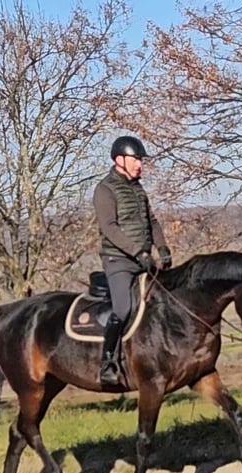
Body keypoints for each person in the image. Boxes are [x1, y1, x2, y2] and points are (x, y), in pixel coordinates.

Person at [92, 135, 172, 385]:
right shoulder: (104, 190)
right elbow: (109, 228)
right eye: (136, 159)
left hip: (144, 259)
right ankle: (107, 363)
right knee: (123, 308)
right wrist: (138, 252)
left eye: (140, 160)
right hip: (119, 261)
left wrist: (163, 248)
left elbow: (152, 221)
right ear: (119, 160)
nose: (140, 165)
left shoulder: (138, 189)